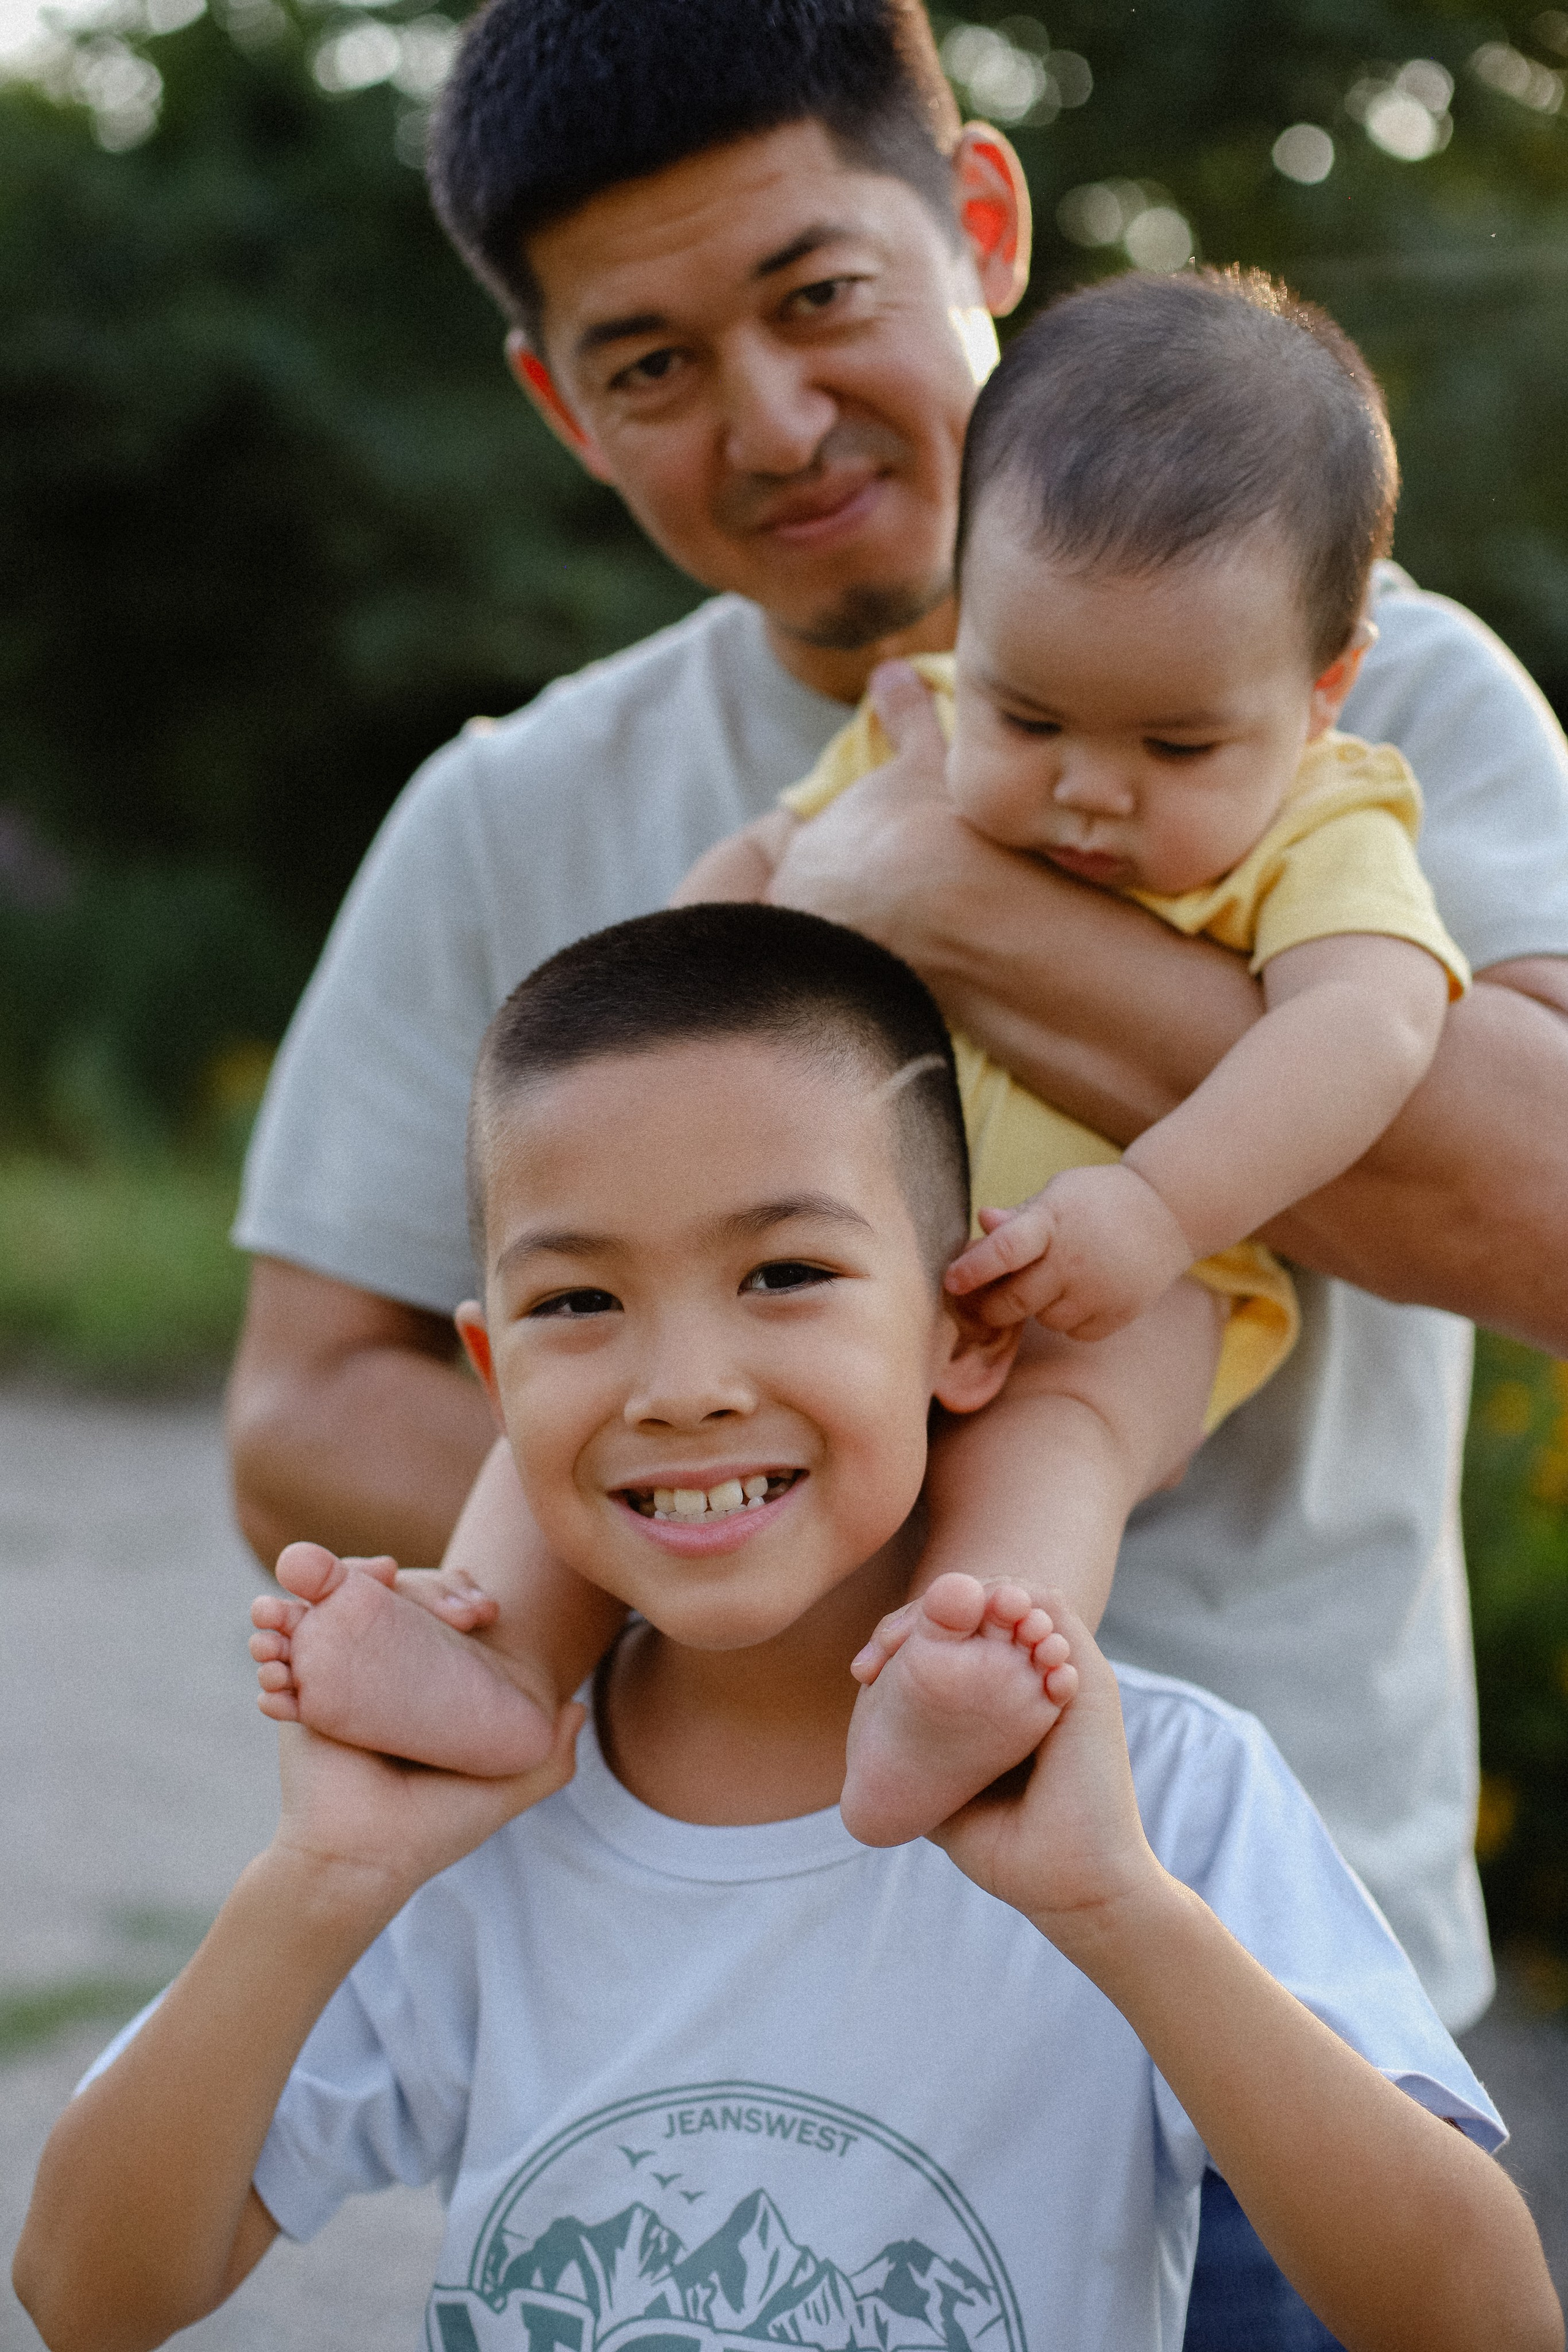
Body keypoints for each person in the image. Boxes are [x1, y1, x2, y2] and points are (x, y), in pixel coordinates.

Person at [221, 0, 1568, 2332]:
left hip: (1259, 1980)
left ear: (978, 225)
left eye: (821, 296)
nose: (769, 417)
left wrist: (948, 899)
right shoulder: (514, 813)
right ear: (556, 402)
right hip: (715, 1976)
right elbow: (307, 1396)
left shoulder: (1363, 683)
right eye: (647, 362)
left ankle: (999, 1659)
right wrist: (766, 1532)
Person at [17, 908, 1562, 2352]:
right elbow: (88, 2295)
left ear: (964, 1330)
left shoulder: (1153, 1793)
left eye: (785, 1274)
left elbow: (1486, 2321)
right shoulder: (463, 1827)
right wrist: (321, 1884)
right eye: (577, 1304)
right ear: (489, 1372)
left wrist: (1114, 1911)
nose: (681, 1381)